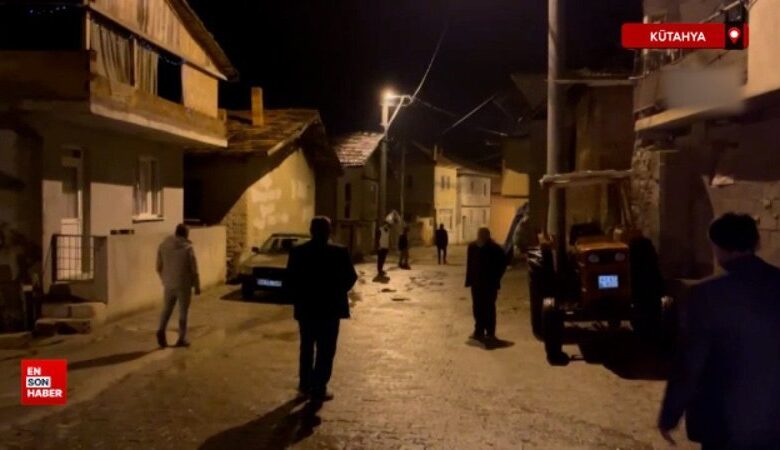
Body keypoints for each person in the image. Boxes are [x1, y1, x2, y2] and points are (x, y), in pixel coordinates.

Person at [659, 213, 780, 449]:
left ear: (718, 247)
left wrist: (670, 414)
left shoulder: (705, 294)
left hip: (723, 423)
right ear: (756, 243)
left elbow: (691, 362)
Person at [287, 216, 358, 401]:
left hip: (307, 308)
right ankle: (319, 387)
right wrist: (336, 291)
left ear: (311, 231)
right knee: (326, 350)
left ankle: (305, 386)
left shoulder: (298, 252)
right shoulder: (339, 252)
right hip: (330, 309)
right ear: (329, 231)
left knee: (307, 348)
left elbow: (291, 279)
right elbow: (351, 277)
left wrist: (301, 296)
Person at [156, 223, 200, 348]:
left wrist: (164, 279)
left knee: (167, 308)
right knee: (183, 311)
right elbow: (194, 269)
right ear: (186, 234)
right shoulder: (188, 248)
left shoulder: (163, 246)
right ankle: (182, 338)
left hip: (169, 283)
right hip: (184, 284)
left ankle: (161, 329)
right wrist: (197, 285)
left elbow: (158, 266)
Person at [465, 227, 507, 341]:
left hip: (490, 284)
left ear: (488, 236)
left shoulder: (495, 248)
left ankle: (490, 332)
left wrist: (496, 278)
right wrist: (469, 280)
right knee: (477, 308)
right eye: (480, 235)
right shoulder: (472, 247)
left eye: (483, 235)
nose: (481, 237)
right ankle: (479, 330)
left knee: (489, 308)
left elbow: (503, 264)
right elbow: (470, 264)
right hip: (476, 283)